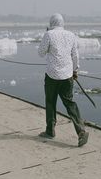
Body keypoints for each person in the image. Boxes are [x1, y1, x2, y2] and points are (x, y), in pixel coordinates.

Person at [38, 13, 89, 147]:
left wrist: (47, 37)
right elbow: (75, 55)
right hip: (67, 76)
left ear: (51, 23)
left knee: (50, 102)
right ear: (62, 23)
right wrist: (75, 70)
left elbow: (40, 53)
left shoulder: (49, 34)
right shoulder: (71, 35)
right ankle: (81, 131)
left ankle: (50, 131)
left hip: (52, 75)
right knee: (70, 103)